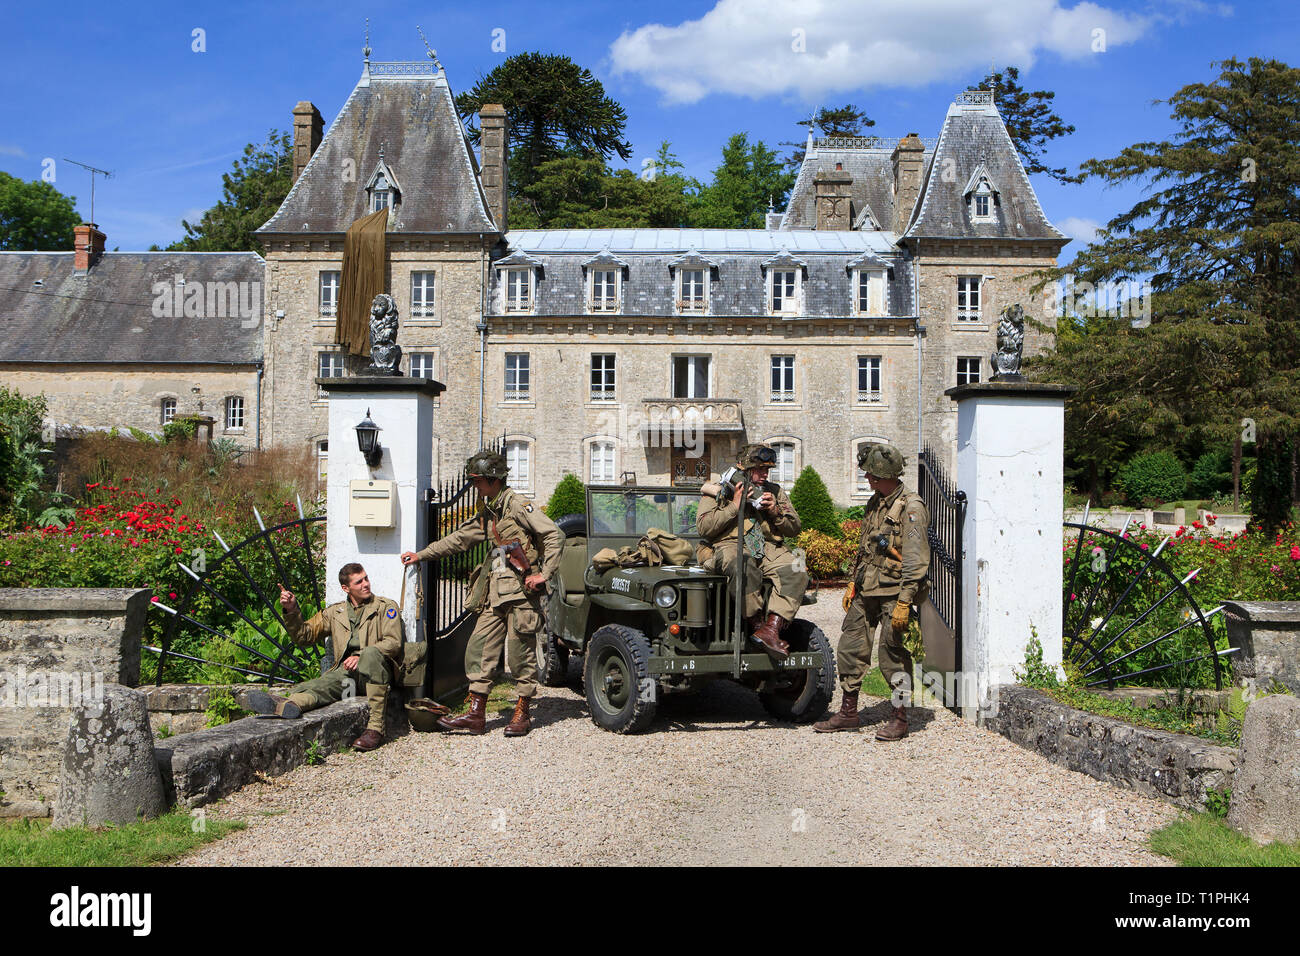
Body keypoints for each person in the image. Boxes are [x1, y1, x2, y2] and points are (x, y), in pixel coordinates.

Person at [401, 449, 561, 737]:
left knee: (520, 655)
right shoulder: (489, 512)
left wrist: (544, 574)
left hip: (523, 593)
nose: (475, 486)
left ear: (493, 479)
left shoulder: (516, 505)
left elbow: (553, 534)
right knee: (479, 649)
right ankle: (476, 715)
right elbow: (461, 539)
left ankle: (522, 713)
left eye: (477, 480)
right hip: (496, 593)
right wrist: (421, 555)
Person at [815, 442, 930, 740]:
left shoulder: (911, 508)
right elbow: (866, 545)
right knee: (851, 647)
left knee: (892, 654)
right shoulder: (875, 501)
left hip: (894, 593)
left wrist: (905, 601)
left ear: (884, 476)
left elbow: (916, 561)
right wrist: (854, 580)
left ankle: (900, 716)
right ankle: (849, 712)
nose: (867, 480)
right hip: (867, 588)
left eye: (871, 476)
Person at [248, 563, 402, 752]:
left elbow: (393, 643)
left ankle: (375, 729)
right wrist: (292, 610)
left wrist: (361, 656)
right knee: (322, 684)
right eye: (359, 582)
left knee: (370, 653)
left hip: (377, 674)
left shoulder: (385, 607)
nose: (366, 584)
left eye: (366, 578)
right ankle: (288, 704)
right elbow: (305, 636)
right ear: (346, 588)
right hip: (349, 676)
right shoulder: (335, 613)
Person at [696, 443, 808, 658]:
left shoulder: (774, 492)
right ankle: (756, 625)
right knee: (741, 563)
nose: (764, 475)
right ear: (742, 467)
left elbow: (794, 529)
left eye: (767, 470)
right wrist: (734, 506)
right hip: (728, 544)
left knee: (796, 569)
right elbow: (705, 528)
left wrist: (775, 511)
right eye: (758, 470)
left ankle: (771, 630)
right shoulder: (719, 490)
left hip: (766, 547)